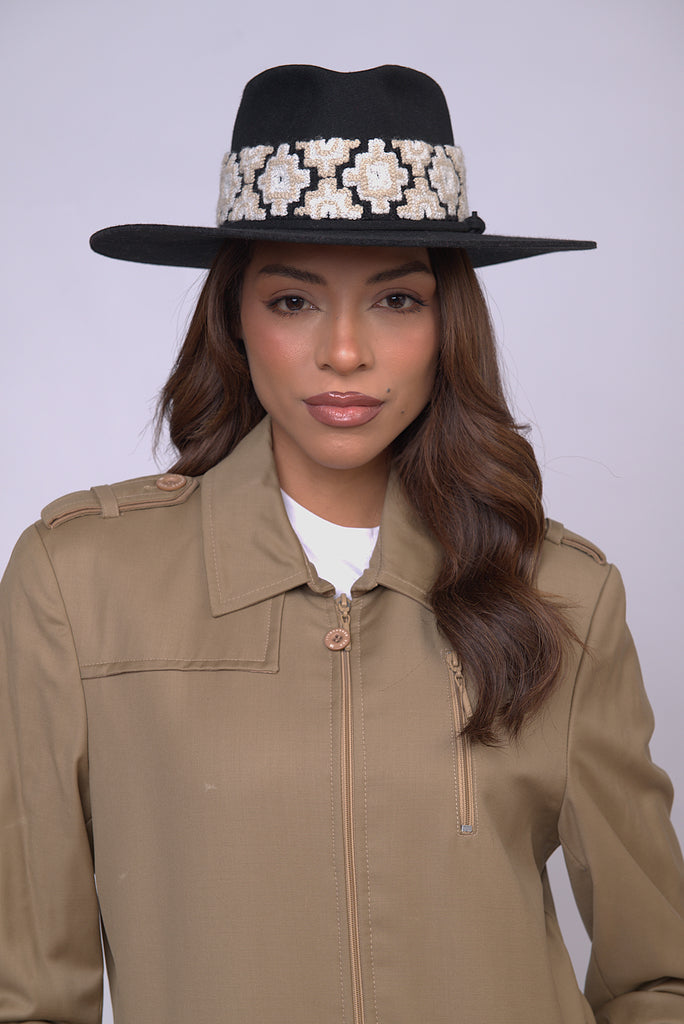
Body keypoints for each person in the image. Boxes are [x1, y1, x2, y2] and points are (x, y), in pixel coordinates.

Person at [0, 63, 682, 1024]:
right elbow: (28, 993)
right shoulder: (78, 583)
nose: (346, 351)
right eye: (294, 301)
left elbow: (660, 978)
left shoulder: (564, 594)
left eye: (397, 301)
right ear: (235, 318)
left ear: (448, 325)